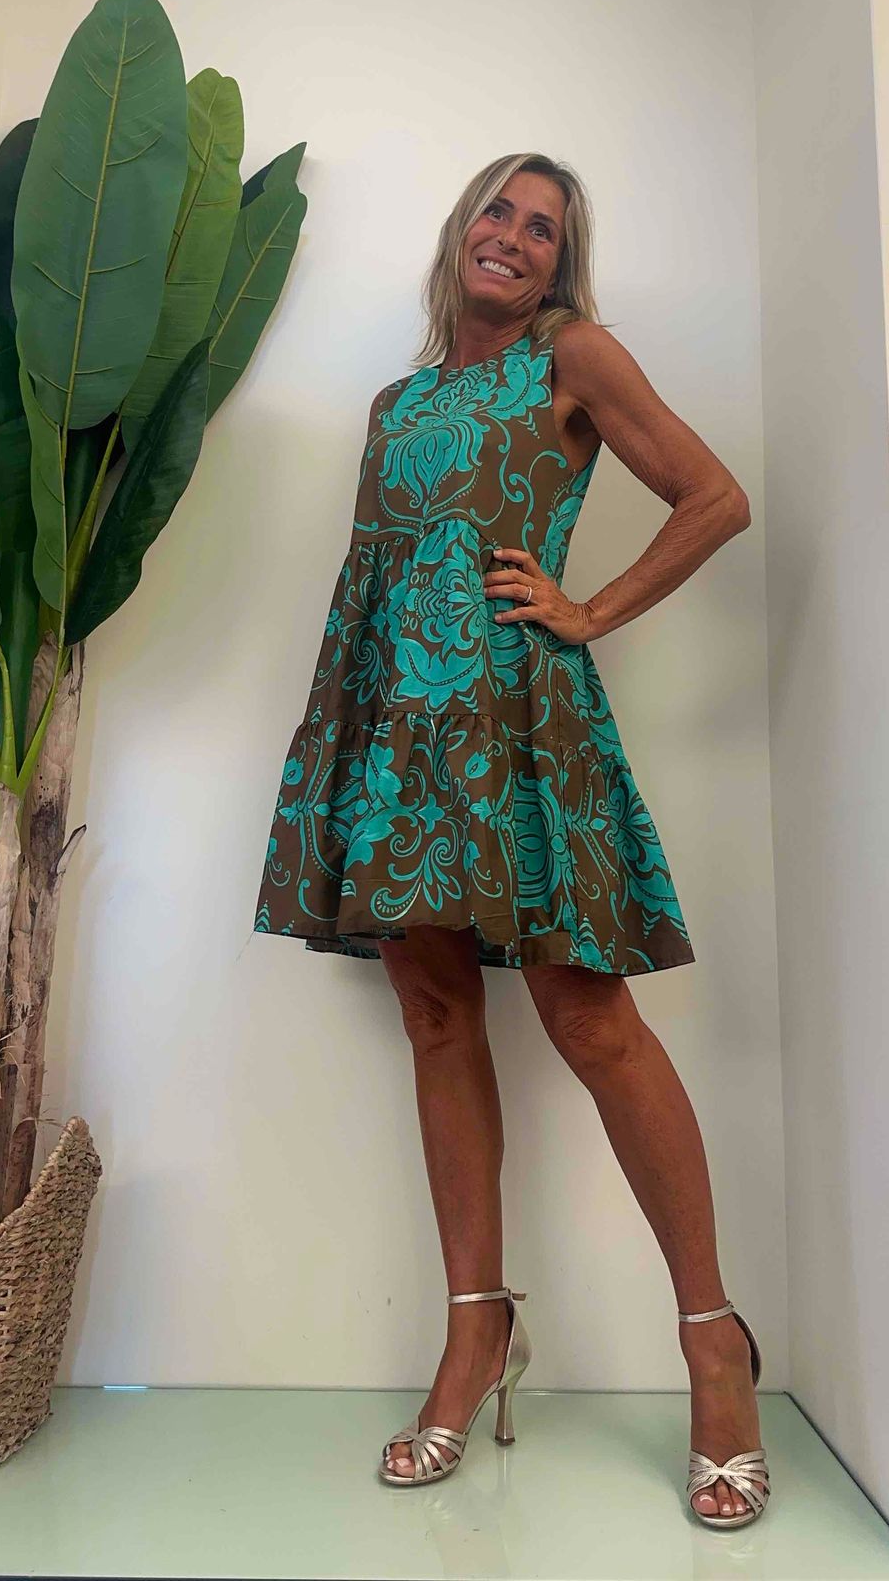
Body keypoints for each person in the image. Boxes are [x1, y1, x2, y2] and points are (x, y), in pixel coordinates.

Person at [254, 152, 769, 1527]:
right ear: (461, 230)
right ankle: (476, 1331)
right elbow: (376, 577)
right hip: (398, 732)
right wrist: (349, 734)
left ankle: (713, 1344)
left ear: (559, 265)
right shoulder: (397, 401)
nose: (516, 236)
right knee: (433, 1017)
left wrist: (589, 610)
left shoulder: (572, 359)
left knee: (589, 1020)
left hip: (518, 725)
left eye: (544, 228)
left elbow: (715, 497)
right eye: (499, 210)